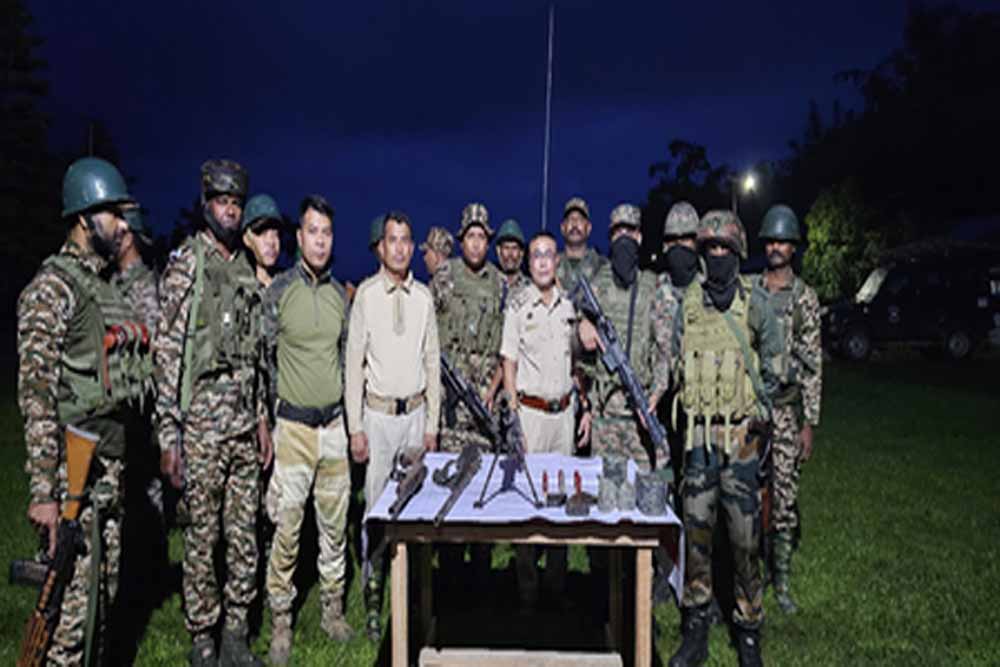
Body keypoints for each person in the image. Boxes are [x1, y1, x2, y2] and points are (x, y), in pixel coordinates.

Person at [18, 156, 152, 664]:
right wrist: (44, 494)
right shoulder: (52, 289)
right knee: (68, 618)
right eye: (112, 214)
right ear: (83, 218)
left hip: (107, 472)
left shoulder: (102, 287)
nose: (122, 225)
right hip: (70, 483)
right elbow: (36, 394)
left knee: (101, 607)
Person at [154, 159, 271, 667]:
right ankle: (203, 636)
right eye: (222, 202)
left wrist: (262, 418)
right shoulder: (187, 263)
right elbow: (166, 354)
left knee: (244, 535)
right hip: (200, 427)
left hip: (244, 427)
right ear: (206, 205)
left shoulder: (246, 267)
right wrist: (169, 436)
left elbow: (256, 354)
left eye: (236, 203)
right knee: (202, 537)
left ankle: (236, 635)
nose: (230, 211)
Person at [667, 210, 784, 667]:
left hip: (742, 440)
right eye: (710, 248)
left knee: (744, 540)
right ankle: (695, 627)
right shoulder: (689, 304)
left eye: (724, 249)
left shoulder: (755, 304)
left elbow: (776, 366)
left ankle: (748, 630)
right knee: (696, 534)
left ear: (737, 253)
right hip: (698, 439)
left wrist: (759, 413)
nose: (717, 256)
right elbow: (677, 360)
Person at [261, 195, 352, 664]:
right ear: (299, 237)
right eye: (312, 232)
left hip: (333, 426)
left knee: (334, 527)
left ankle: (332, 609)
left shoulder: (339, 297)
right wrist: (268, 417)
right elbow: (263, 360)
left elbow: (345, 356)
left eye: (327, 233)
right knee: (287, 528)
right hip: (293, 428)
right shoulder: (279, 292)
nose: (320, 241)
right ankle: (281, 619)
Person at [345, 210, 440, 641]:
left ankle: (416, 593)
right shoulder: (366, 295)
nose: (399, 248)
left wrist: (432, 425)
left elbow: (432, 363)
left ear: (412, 247)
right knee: (376, 509)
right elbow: (353, 366)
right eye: (392, 240)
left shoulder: (423, 297)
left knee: (416, 508)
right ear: (381, 247)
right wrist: (355, 427)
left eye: (405, 240)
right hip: (378, 418)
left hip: (415, 416)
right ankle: (373, 596)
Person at [500, 231, 582, 607]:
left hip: (563, 415)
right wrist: (513, 415)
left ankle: (557, 585)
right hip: (531, 415)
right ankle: (527, 587)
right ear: (529, 263)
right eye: (536, 255)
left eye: (549, 254)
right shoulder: (518, 304)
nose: (543, 261)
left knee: (560, 501)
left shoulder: (570, 306)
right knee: (528, 504)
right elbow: (509, 361)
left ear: (557, 261)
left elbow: (576, 361)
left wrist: (584, 406)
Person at [756, 204, 823, 615]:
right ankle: (748, 572)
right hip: (751, 410)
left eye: (783, 241)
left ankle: (780, 580)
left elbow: (812, 365)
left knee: (783, 497)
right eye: (771, 241)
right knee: (746, 495)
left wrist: (808, 422)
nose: (776, 247)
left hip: (784, 412)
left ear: (793, 248)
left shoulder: (804, 298)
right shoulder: (751, 291)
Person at [578, 204, 676, 473]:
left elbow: (664, 349)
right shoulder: (597, 284)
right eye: (617, 232)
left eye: (629, 231)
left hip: (640, 416)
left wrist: (654, 395)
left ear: (639, 237)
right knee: (604, 492)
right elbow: (574, 342)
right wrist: (581, 326)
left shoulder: (654, 286)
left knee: (643, 492)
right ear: (610, 238)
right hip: (604, 417)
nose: (624, 238)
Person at [431, 202, 504, 452]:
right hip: (450, 399)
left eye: (481, 237)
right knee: (449, 467)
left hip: (485, 401)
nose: (475, 243)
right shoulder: (444, 276)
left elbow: (508, 347)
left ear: (488, 243)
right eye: (470, 236)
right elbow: (427, 332)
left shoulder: (500, 284)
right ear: (461, 241)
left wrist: (493, 389)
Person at [555, 196, 607, 293]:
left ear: (589, 228)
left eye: (580, 220)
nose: (574, 224)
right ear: (562, 228)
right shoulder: (550, 266)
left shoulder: (603, 267)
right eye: (570, 219)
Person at [242, 193, 283, 288]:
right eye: (262, 233)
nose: (271, 242)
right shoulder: (235, 285)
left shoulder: (290, 284)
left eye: (276, 234)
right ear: (247, 239)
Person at [495, 218, 529, 298]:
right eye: (506, 248)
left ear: (521, 252)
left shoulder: (531, 288)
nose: (510, 254)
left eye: (514, 248)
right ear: (498, 251)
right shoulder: (488, 283)